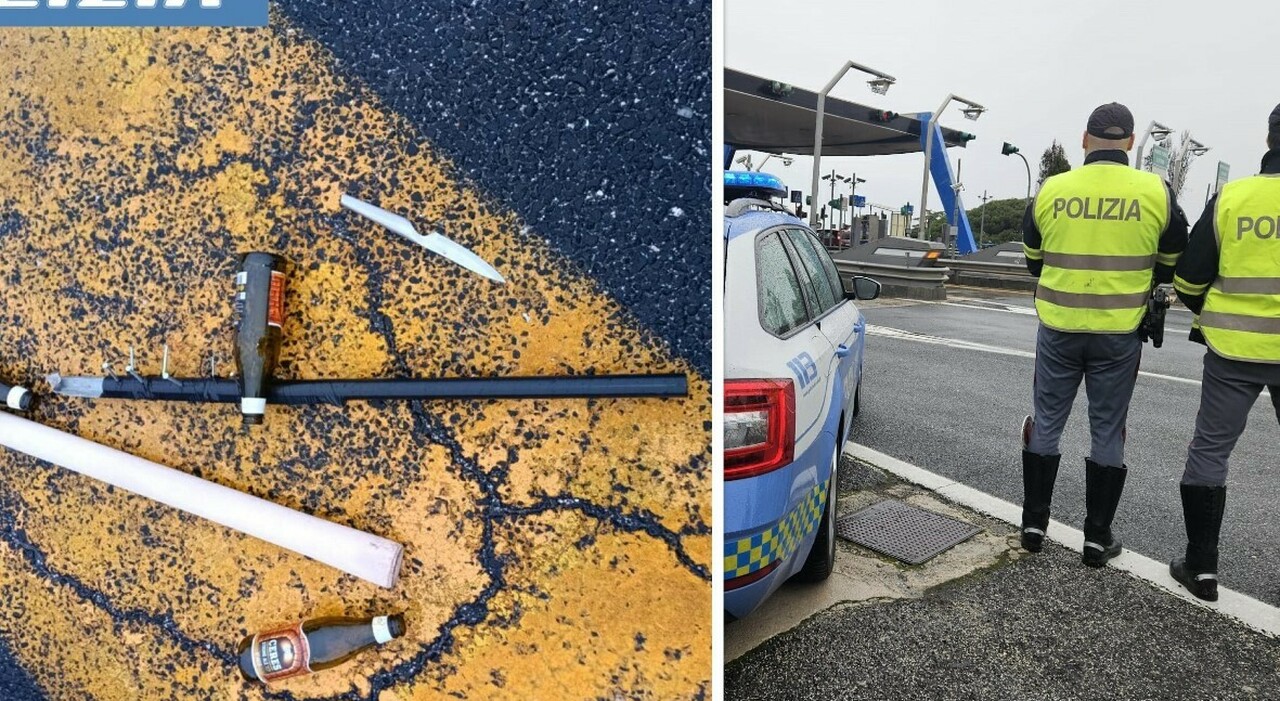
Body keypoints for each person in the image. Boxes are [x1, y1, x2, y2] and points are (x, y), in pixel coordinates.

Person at [1019, 102, 1189, 567]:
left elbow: (1033, 259)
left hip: (1058, 327)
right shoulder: (1155, 191)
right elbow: (1172, 258)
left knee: (1046, 422)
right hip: (1119, 331)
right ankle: (1096, 539)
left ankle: (1033, 525)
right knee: (1108, 430)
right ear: (1131, 142)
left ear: (1084, 140)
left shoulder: (1052, 188)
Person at [1168, 104, 1280, 601]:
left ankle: (1202, 567)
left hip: (1233, 350)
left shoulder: (1232, 198)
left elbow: (1189, 279)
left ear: (1269, 139)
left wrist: (1213, 310)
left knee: (1210, 452)